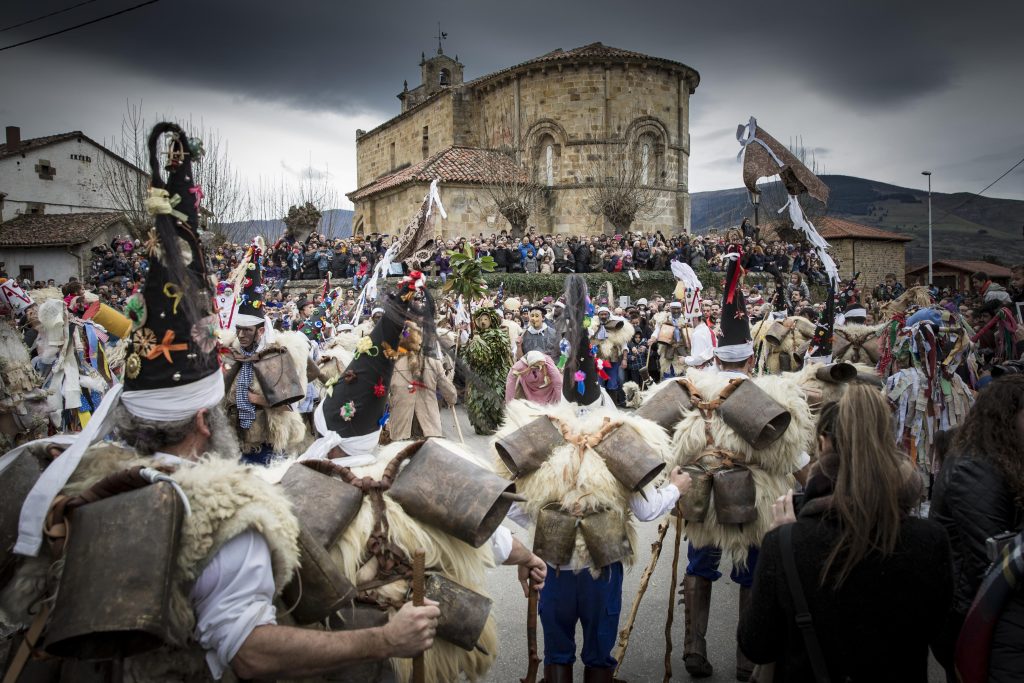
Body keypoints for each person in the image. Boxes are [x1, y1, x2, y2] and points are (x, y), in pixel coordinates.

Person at [0, 122, 439, 682]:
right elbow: (248, 653)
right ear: (205, 419)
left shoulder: (54, 475)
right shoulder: (227, 520)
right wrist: (383, 638)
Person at [495, 274, 691, 683]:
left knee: (558, 656)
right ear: (603, 393)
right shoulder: (621, 440)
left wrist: (550, 517)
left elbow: (512, 506)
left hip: (555, 568)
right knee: (600, 660)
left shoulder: (540, 437)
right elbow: (648, 508)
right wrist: (677, 486)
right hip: (604, 567)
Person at [739, 385, 953, 683]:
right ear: (888, 440)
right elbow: (941, 635)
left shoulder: (787, 544)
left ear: (823, 444)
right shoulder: (930, 540)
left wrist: (777, 549)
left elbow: (756, 645)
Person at [929, 375, 1024, 682]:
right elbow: (995, 562)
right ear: (1007, 418)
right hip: (970, 619)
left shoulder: (996, 460)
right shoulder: (974, 470)